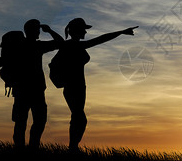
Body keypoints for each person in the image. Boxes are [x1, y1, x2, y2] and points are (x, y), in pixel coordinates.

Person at [59, 18, 138, 150]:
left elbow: (100, 39)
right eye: (83, 29)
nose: (85, 31)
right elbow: (100, 39)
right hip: (73, 87)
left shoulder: (73, 45)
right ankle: (72, 148)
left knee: (78, 118)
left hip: (77, 87)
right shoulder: (73, 45)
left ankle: (73, 147)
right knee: (79, 118)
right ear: (77, 30)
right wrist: (121, 32)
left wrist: (121, 32)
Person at [12, 19, 64, 149]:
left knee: (21, 122)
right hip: (35, 90)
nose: (39, 33)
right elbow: (60, 43)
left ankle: (21, 148)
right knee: (37, 121)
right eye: (37, 30)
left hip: (21, 90)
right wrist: (50, 30)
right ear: (31, 31)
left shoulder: (18, 46)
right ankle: (32, 147)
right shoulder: (37, 46)